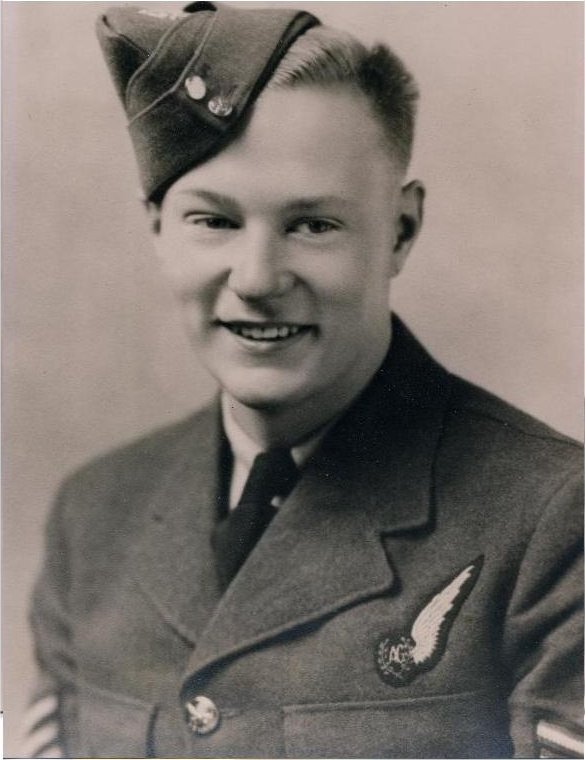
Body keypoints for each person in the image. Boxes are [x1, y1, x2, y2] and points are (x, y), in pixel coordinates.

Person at [24, 2, 582, 758]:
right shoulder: (95, 517)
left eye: (312, 224)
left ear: (400, 231)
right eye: (214, 221)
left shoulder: (552, 520)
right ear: (157, 228)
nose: (257, 279)